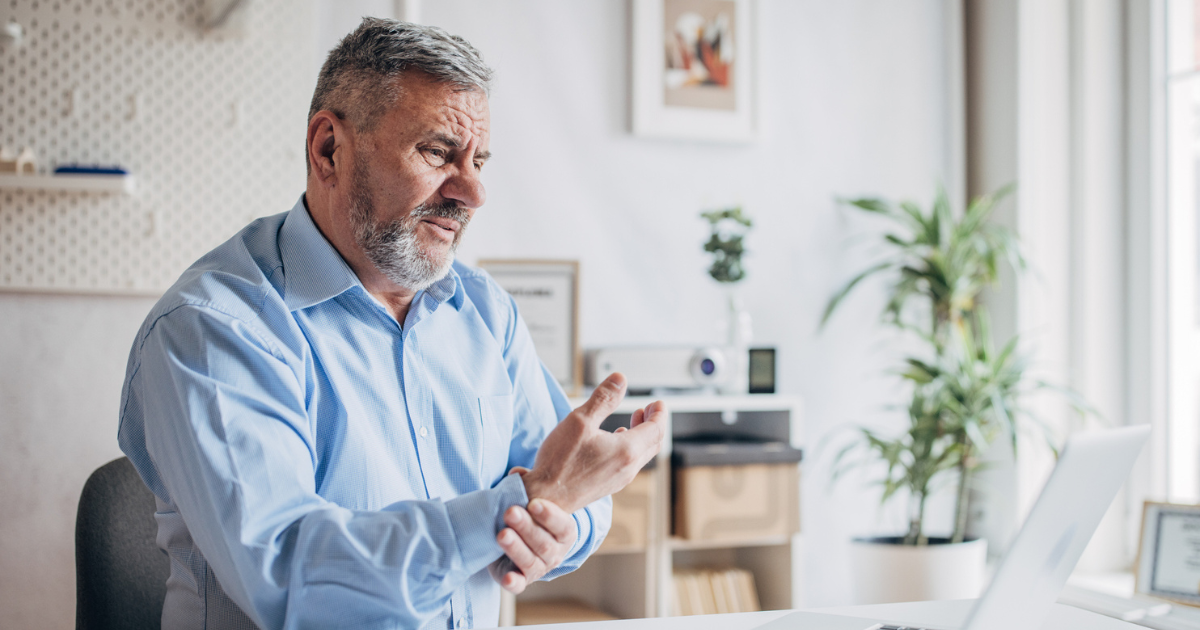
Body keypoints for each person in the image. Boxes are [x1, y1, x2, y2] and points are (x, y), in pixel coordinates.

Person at [117, 17, 665, 630]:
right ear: (329, 149)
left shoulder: (484, 311)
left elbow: (568, 487)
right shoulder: (214, 327)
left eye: (479, 160)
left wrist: (557, 521)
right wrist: (525, 505)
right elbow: (288, 572)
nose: (474, 192)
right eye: (438, 152)